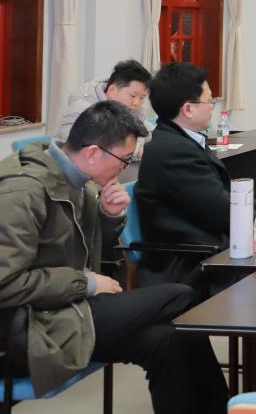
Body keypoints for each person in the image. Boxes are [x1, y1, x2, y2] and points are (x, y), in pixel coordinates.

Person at [0, 101, 228, 414]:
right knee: (181, 294)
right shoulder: (21, 192)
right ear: (94, 152)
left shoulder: (79, 182)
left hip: (65, 310)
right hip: (27, 329)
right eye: (124, 160)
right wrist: (85, 284)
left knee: (169, 339)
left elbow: (95, 259)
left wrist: (108, 218)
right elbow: (5, 283)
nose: (125, 168)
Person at [134, 62, 230, 294]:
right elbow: (221, 211)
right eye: (209, 101)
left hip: (203, 248)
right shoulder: (173, 151)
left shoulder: (182, 139)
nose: (212, 107)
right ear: (188, 109)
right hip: (186, 265)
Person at [54, 59, 152, 144]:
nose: (136, 103)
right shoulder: (82, 109)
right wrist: (137, 149)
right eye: (133, 96)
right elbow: (80, 147)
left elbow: (149, 134)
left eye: (142, 98)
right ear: (112, 90)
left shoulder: (132, 109)